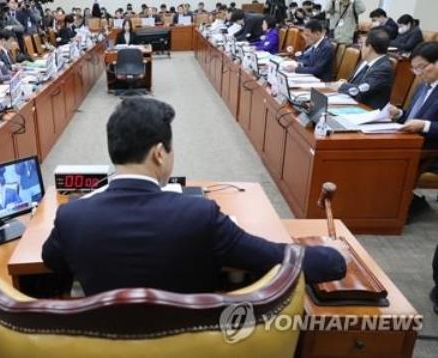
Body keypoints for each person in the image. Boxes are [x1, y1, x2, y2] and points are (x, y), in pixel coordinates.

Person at [42, 97, 348, 296]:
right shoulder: (200, 215)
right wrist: (334, 256)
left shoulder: (71, 216)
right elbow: (277, 259)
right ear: (159, 153)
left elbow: (51, 260)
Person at [330, 28, 393, 110]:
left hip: (367, 110)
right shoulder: (365, 61)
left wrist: (342, 86)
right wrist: (347, 83)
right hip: (352, 102)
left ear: (369, 47)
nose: (360, 48)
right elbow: (358, 84)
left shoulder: (383, 68)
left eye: (362, 44)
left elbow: (362, 89)